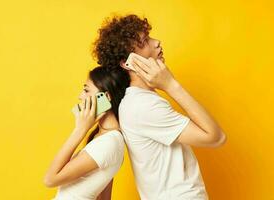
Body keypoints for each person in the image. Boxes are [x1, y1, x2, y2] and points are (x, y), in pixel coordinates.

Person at [92, 14, 227, 200]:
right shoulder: (144, 106)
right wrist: (171, 85)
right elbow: (216, 137)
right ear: (127, 62)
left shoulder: (137, 101)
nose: (157, 43)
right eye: (145, 41)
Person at [43, 66, 130, 200]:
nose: (80, 96)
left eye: (86, 90)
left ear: (106, 97)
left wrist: (80, 129)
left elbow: (50, 180)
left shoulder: (109, 142)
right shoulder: (106, 138)